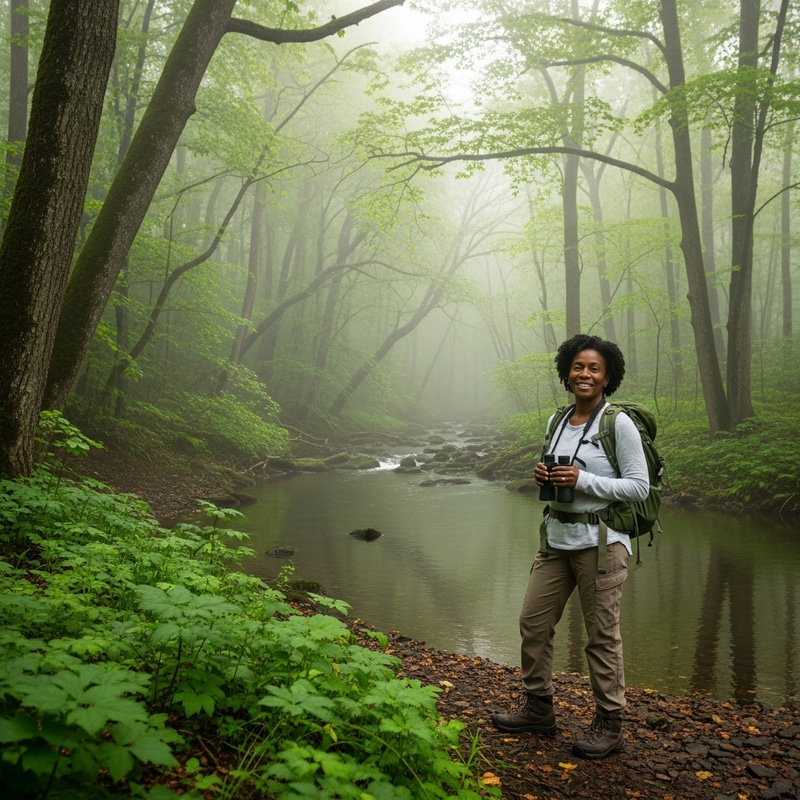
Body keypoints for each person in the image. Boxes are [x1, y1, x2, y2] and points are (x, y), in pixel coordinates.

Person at [492, 334, 649, 759]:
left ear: (607, 377)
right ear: (567, 372)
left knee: (601, 637)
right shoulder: (557, 420)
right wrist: (543, 475)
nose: (584, 374)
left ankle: (610, 724)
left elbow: (638, 486)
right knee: (533, 622)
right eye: (578, 366)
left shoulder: (618, 424)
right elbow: (558, 470)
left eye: (594, 368)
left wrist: (583, 481)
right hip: (556, 539)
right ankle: (539, 707)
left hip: (600, 543)